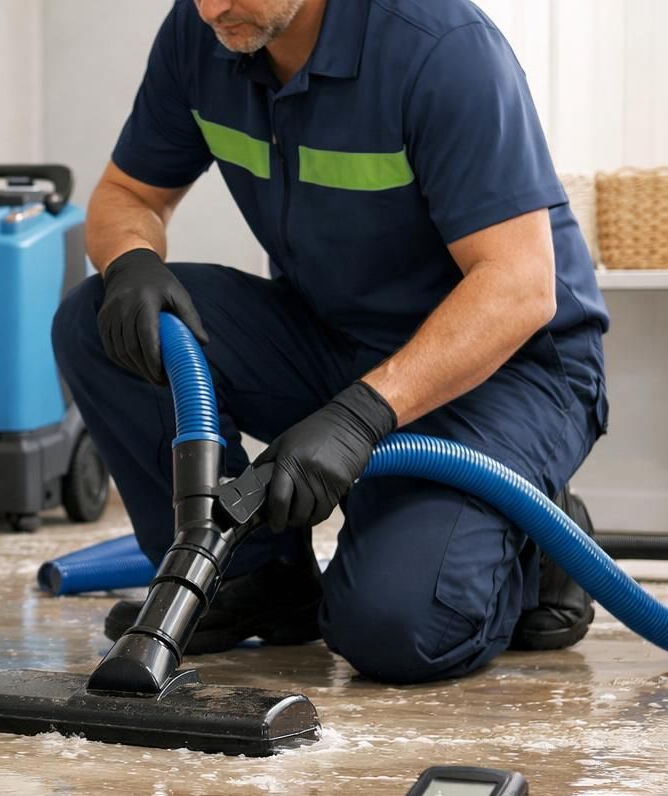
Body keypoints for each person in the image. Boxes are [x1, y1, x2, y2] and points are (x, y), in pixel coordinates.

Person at [55, 0, 607, 684]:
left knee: (394, 631)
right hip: (328, 334)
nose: (212, 7)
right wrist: (131, 259)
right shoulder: (204, 34)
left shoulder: (439, 47)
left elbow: (520, 285)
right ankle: (257, 580)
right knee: (97, 320)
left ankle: (534, 534)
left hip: (506, 370)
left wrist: (360, 418)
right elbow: (126, 194)